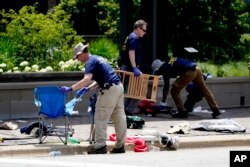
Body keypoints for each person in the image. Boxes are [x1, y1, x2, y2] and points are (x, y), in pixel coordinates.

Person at [60, 43, 127, 154]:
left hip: (108, 90)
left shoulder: (90, 62)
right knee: (119, 117)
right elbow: (102, 78)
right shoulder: (98, 58)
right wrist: (88, 88)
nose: (77, 59)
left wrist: (70, 89)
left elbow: (87, 79)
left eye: (77, 56)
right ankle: (120, 146)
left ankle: (100, 146)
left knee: (100, 117)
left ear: (82, 53)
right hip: (118, 87)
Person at [151, 57, 222, 119]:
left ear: (158, 68)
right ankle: (216, 110)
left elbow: (166, 86)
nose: (157, 73)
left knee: (174, 91)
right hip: (197, 69)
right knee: (204, 90)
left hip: (189, 72)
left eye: (157, 72)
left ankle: (182, 112)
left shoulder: (164, 68)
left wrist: (163, 102)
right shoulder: (170, 61)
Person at [119, 19, 148, 115]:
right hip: (130, 68)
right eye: (144, 30)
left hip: (127, 67)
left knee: (132, 91)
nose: (145, 32)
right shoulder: (134, 38)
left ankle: (126, 111)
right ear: (138, 28)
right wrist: (135, 68)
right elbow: (131, 52)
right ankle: (128, 110)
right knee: (141, 90)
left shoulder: (129, 37)